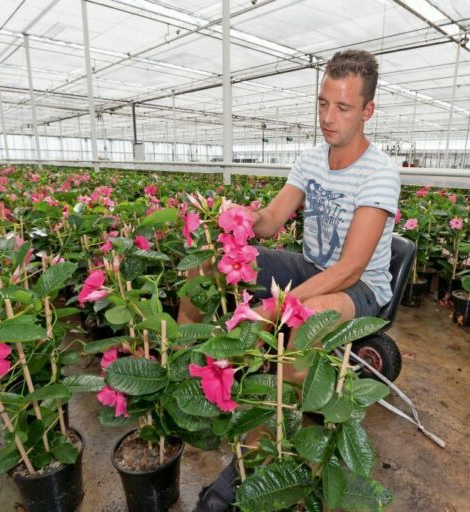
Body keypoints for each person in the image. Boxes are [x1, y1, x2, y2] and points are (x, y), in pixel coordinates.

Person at [190, 49, 401, 511]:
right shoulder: (310, 160)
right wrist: (245, 216)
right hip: (309, 269)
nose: (328, 117)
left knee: (303, 326)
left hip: (360, 287)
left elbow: (348, 269)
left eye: (343, 107)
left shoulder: (381, 172)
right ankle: (189, 374)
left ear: (368, 110)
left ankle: (261, 457)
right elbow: (271, 220)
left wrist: (275, 307)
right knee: (204, 267)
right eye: (323, 103)